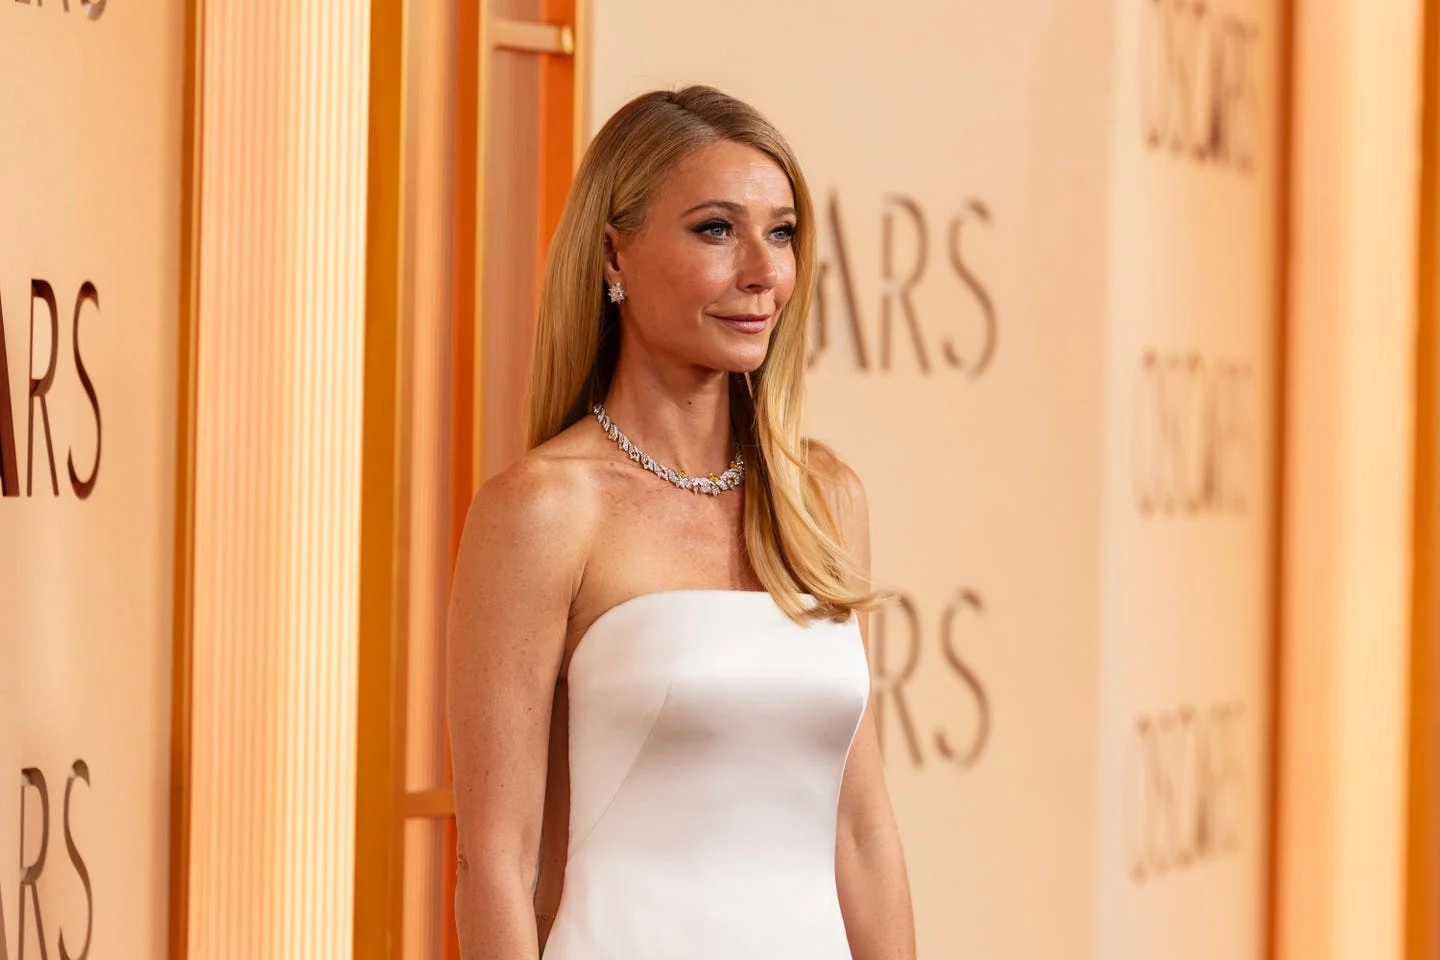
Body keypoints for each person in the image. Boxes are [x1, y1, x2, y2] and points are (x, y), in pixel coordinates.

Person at [447, 85, 915, 960]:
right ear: (613, 255)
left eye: (780, 232)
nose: (764, 272)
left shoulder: (822, 500)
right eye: (715, 229)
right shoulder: (544, 510)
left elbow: (861, 832)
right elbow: (495, 865)